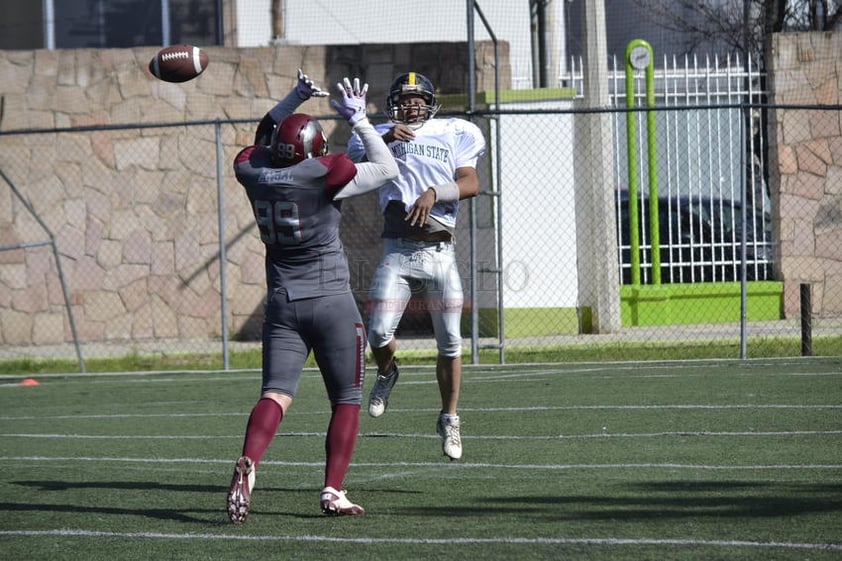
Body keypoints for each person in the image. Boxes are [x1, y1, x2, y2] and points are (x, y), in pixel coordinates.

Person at [226, 69, 399, 523]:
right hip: (331, 302)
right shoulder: (323, 173)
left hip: (283, 303)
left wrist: (293, 99)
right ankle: (332, 491)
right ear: (313, 149)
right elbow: (387, 169)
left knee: (276, 394)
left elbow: (263, 138)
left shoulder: (253, 171)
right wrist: (361, 120)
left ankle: (250, 462)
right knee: (345, 398)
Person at [347, 71, 486, 461]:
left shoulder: (453, 131)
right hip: (398, 252)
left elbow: (471, 181)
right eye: (404, 99)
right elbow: (349, 166)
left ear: (429, 102)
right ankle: (389, 371)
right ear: (393, 104)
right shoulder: (376, 133)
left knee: (451, 342)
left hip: (441, 254)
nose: (411, 105)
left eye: (418, 99)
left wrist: (434, 192)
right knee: (376, 332)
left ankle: (450, 417)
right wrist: (384, 139)